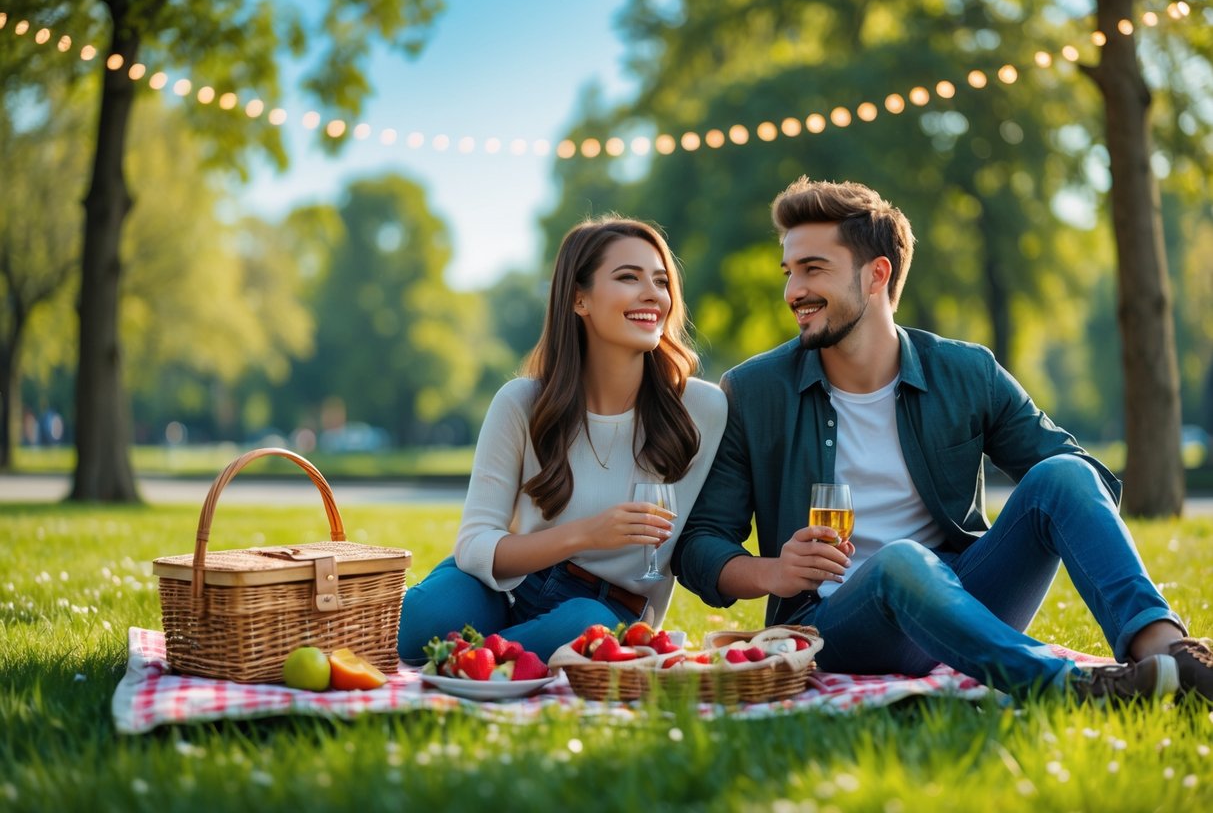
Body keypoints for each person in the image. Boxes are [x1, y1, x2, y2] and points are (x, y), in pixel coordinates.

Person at [673, 176, 1211, 701]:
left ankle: (1171, 654)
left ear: (875, 274)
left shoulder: (965, 371)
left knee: (1066, 474)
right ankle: (1071, 686)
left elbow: (1087, 489)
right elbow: (700, 547)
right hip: (834, 626)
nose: (794, 291)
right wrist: (775, 572)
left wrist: (1075, 511)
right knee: (902, 562)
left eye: (813, 269)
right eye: (789, 272)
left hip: (964, 599)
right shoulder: (755, 391)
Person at [398, 216, 727, 664]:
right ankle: (492, 656)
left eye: (661, 281)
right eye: (628, 277)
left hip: (608, 607)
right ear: (579, 298)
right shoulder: (522, 402)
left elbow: (711, 532)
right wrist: (587, 534)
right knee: (420, 623)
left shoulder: (703, 410)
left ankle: (477, 660)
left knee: (581, 626)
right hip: (512, 585)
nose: (653, 294)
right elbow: (475, 546)